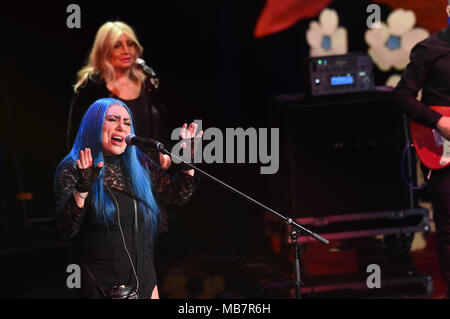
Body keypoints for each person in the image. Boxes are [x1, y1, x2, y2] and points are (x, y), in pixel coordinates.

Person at [54, 98, 202, 299]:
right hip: (100, 284)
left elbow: (178, 195)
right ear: (94, 126)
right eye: (113, 120)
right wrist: (83, 188)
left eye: (126, 122)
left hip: (143, 279)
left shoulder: (138, 163)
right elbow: (67, 229)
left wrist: (188, 160)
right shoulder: (73, 167)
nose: (121, 127)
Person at [394, 3, 450, 298]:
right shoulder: (430, 49)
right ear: (449, 8)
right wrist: (438, 121)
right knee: (449, 226)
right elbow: (402, 95)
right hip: (443, 147)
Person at [66, 20, 172, 169]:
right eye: (117, 46)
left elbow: (161, 131)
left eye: (131, 44)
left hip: (149, 175)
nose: (126, 50)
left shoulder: (148, 84)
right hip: (110, 176)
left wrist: (165, 154)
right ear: (104, 51)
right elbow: (77, 137)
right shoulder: (92, 88)